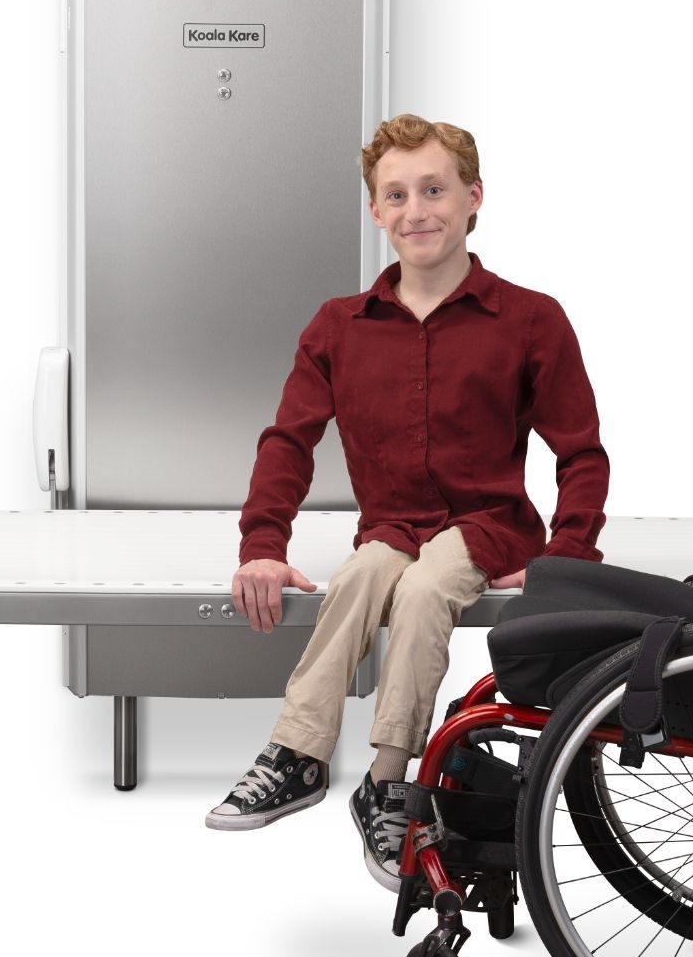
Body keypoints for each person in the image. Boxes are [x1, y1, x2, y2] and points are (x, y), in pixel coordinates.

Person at [203, 114, 609, 893]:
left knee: (425, 591)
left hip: (487, 528)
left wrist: (566, 558)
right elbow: (289, 440)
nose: (416, 209)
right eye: (397, 194)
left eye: (434, 189)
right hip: (390, 525)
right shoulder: (338, 327)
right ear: (375, 211)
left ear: (473, 199)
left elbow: (580, 452)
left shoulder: (531, 319)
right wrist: (262, 543)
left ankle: (392, 782)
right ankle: (299, 754)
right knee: (361, 577)